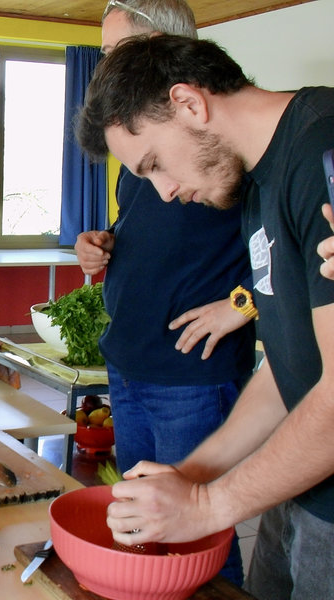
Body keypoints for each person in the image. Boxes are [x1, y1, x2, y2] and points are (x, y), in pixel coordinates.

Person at [76, 34, 334, 599]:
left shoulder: (322, 146)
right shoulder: (254, 183)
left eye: (155, 165)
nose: (165, 192)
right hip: (300, 487)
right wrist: (191, 475)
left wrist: (208, 505)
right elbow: (289, 369)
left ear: (189, 102)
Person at [76, 2, 255, 584]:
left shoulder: (228, 146)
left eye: (115, 52)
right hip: (129, 361)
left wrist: (241, 305)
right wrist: (101, 243)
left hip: (190, 373)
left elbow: (286, 254)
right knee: (145, 517)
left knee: (198, 530)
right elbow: (143, 226)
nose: (106, 68)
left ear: (161, 46)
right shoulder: (142, 144)